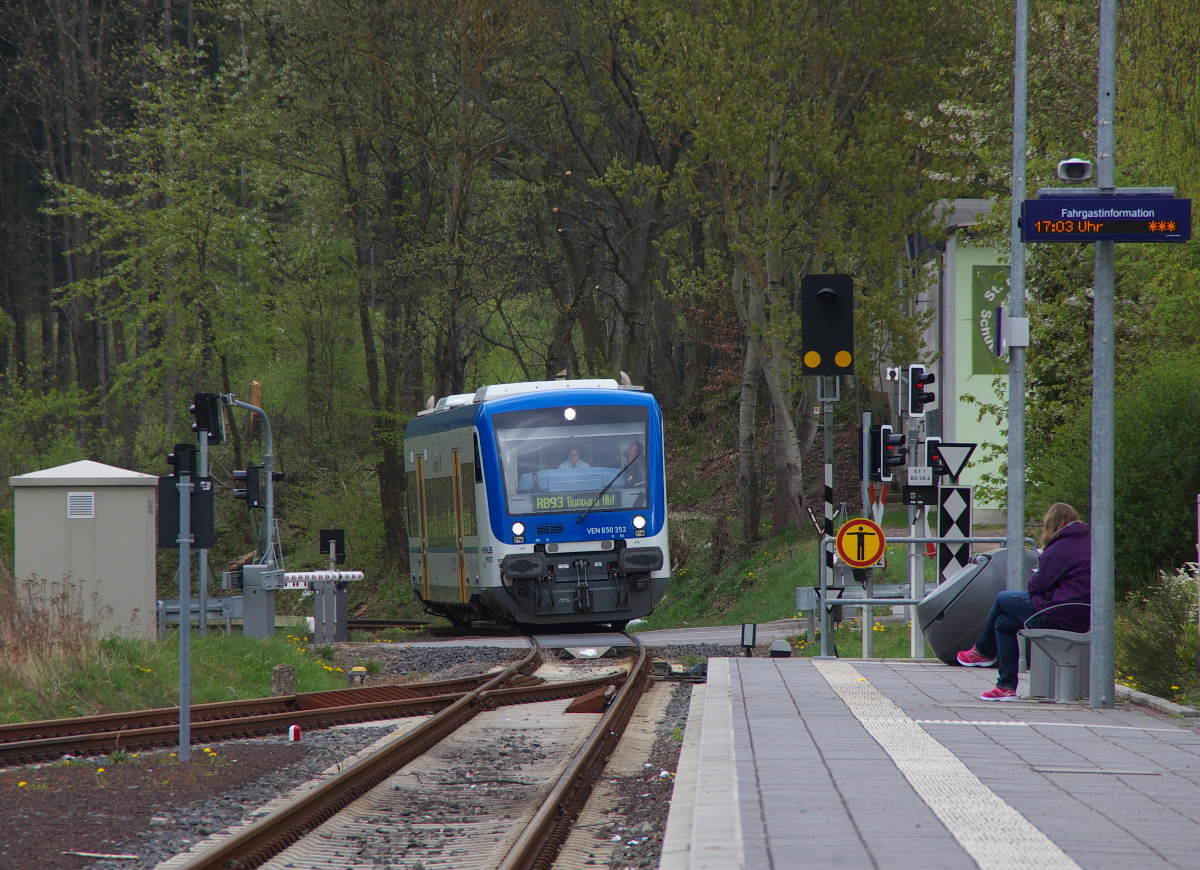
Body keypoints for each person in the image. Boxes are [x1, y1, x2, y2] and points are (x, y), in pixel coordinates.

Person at [957, 503, 1091, 701]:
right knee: (1003, 624)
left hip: (1059, 611)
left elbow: (1037, 585)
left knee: (1002, 598)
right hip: (1084, 612)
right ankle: (1005, 686)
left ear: (1052, 524)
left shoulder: (1062, 546)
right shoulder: (1089, 541)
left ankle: (983, 650)